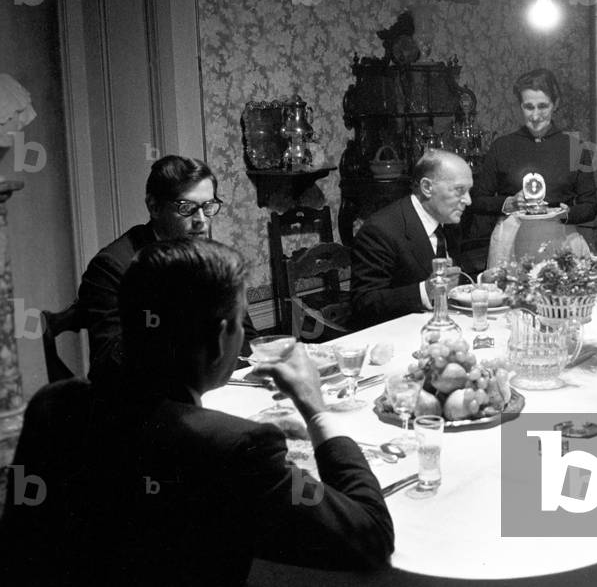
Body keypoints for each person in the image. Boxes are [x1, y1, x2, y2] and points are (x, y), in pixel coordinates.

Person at [0, 239, 394, 586]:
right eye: (240, 322)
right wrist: (315, 408)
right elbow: (369, 535)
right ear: (222, 336)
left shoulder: (54, 404)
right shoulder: (236, 449)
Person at [77, 155, 257, 382]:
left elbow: (246, 338)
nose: (201, 220)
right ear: (154, 207)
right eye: (186, 208)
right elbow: (107, 363)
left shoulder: (211, 257)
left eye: (208, 206)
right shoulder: (112, 266)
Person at [351, 149, 470, 328]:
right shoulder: (381, 230)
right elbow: (364, 303)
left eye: (469, 191)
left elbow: (453, 281)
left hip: (442, 326)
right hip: (395, 333)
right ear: (427, 187)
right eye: (459, 190)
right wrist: (425, 291)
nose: (468, 200)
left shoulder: (449, 222)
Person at [471, 68, 597, 224]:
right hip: (512, 234)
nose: (536, 116)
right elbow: (477, 200)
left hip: (559, 233)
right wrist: (507, 204)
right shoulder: (501, 146)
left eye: (543, 106)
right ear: (520, 106)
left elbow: (591, 206)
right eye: (529, 107)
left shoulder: (576, 148)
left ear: (555, 104)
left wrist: (566, 214)